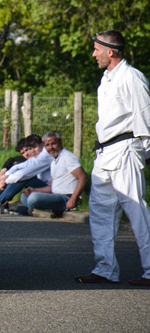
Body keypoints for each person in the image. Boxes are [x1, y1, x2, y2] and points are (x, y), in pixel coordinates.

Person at [75, 29, 150, 286]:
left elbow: (145, 115)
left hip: (126, 149)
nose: (94, 54)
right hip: (104, 153)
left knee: (136, 209)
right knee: (100, 213)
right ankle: (105, 268)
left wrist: (147, 151)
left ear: (110, 51)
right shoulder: (105, 79)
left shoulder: (132, 77)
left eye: (97, 49)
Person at [18, 131, 87, 217]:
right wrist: (34, 190)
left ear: (60, 143)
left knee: (33, 198)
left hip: (65, 198)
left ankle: (36, 210)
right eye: (47, 145)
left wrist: (73, 199)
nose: (51, 147)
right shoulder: (53, 161)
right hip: (55, 195)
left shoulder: (68, 157)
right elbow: (51, 187)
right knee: (24, 197)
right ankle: (46, 210)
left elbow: (83, 177)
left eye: (53, 144)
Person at [0, 134, 53, 214]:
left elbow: (24, 173)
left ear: (42, 145)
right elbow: (18, 167)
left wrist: (5, 181)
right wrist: (4, 177)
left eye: (35, 147)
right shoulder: (37, 157)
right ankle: (32, 210)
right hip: (42, 188)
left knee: (24, 178)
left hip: (52, 190)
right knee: (23, 197)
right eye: (30, 149)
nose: (32, 151)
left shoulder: (45, 156)